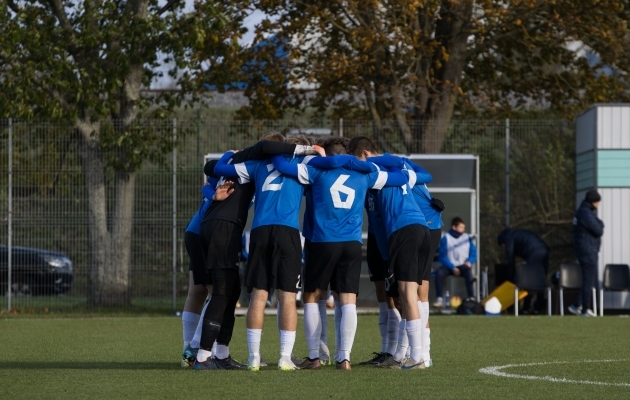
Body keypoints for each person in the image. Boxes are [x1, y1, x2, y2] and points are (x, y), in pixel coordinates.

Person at [272, 137, 407, 370]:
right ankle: (344, 357)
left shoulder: (316, 172)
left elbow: (283, 167)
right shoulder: (365, 174)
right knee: (347, 301)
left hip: (322, 241)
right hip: (352, 244)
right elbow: (401, 176)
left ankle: (314, 356)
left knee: (312, 297)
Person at [193, 133, 323, 370]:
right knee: (286, 297)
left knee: (258, 296)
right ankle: (285, 357)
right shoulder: (304, 163)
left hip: (260, 231)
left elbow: (218, 169)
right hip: (287, 231)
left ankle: (253, 357)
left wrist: (226, 160)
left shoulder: (257, 164)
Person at [348, 137, 431, 371]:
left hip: (402, 230)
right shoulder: (400, 166)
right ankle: (405, 354)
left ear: (363, 154)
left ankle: (417, 357)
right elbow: (422, 174)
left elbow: (359, 166)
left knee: (406, 295)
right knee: (406, 295)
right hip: (420, 229)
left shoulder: (376, 169)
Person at [496, 227, 550, 313]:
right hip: (544, 249)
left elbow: (510, 260)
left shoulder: (509, 238)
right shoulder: (518, 234)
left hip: (534, 251)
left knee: (529, 281)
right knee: (540, 279)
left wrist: (511, 277)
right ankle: (538, 306)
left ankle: (526, 308)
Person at [568, 189, 604, 317]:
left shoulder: (582, 212)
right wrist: (600, 224)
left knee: (590, 280)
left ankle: (576, 305)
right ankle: (584, 309)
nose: (599, 204)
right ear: (594, 201)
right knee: (589, 280)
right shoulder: (586, 214)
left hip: (584, 250)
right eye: (598, 201)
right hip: (588, 250)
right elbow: (599, 229)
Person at [434, 217, 477, 308]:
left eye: (464, 228)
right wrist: (452, 267)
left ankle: (471, 298)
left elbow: (473, 252)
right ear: (454, 227)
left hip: (463, 265)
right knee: (439, 272)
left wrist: (469, 262)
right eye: (461, 227)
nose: (463, 230)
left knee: (469, 273)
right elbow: (442, 256)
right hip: (449, 266)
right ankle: (439, 300)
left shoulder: (467, 238)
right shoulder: (446, 238)